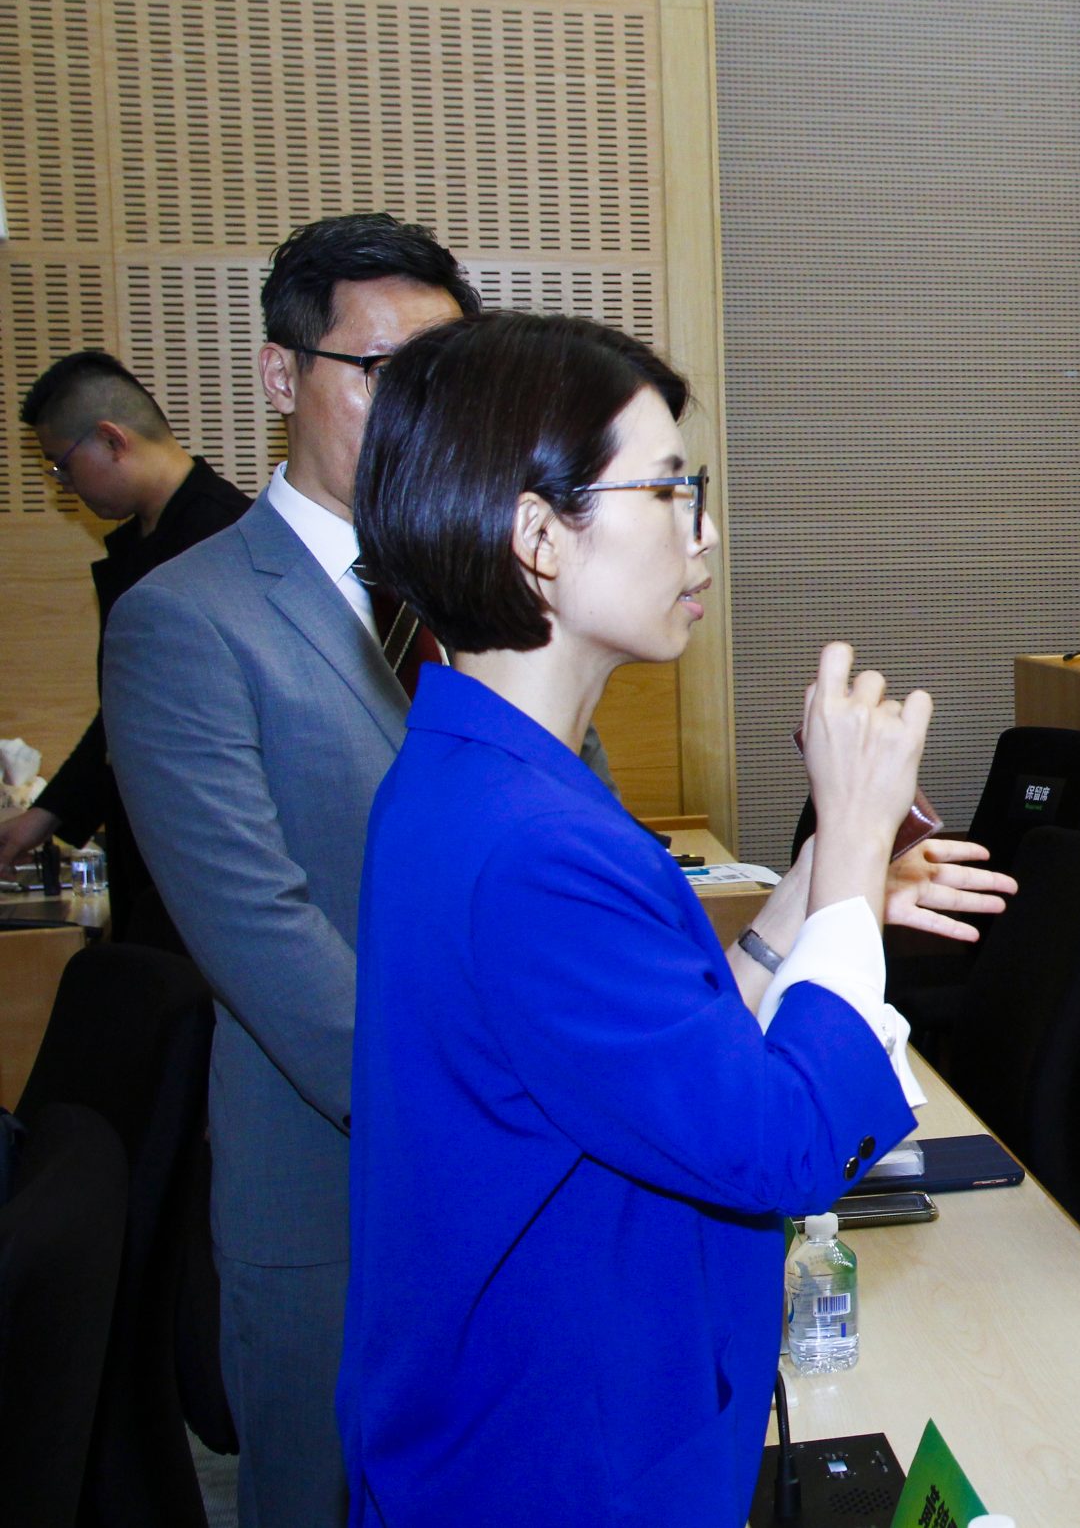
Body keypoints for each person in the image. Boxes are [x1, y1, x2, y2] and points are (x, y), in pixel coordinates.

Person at [337, 312, 1001, 1523]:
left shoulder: (484, 776)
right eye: (669, 491)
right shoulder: (533, 845)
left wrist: (819, 893)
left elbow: (650, 1060)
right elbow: (782, 1146)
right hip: (558, 1464)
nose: (705, 533)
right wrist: (854, 842)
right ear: (539, 536)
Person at [102, 212, 483, 1528]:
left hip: (516, 1178)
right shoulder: (185, 617)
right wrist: (482, 1106)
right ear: (282, 373)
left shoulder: (482, 602)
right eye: (382, 373)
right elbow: (261, 932)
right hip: (334, 1183)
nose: (419, 412)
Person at [6, 350, 250, 949]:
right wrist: (46, 815)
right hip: (154, 849)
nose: (64, 486)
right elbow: (129, 712)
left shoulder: (225, 537)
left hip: (210, 855)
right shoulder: (147, 539)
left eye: (63, 467)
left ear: (111, 440)